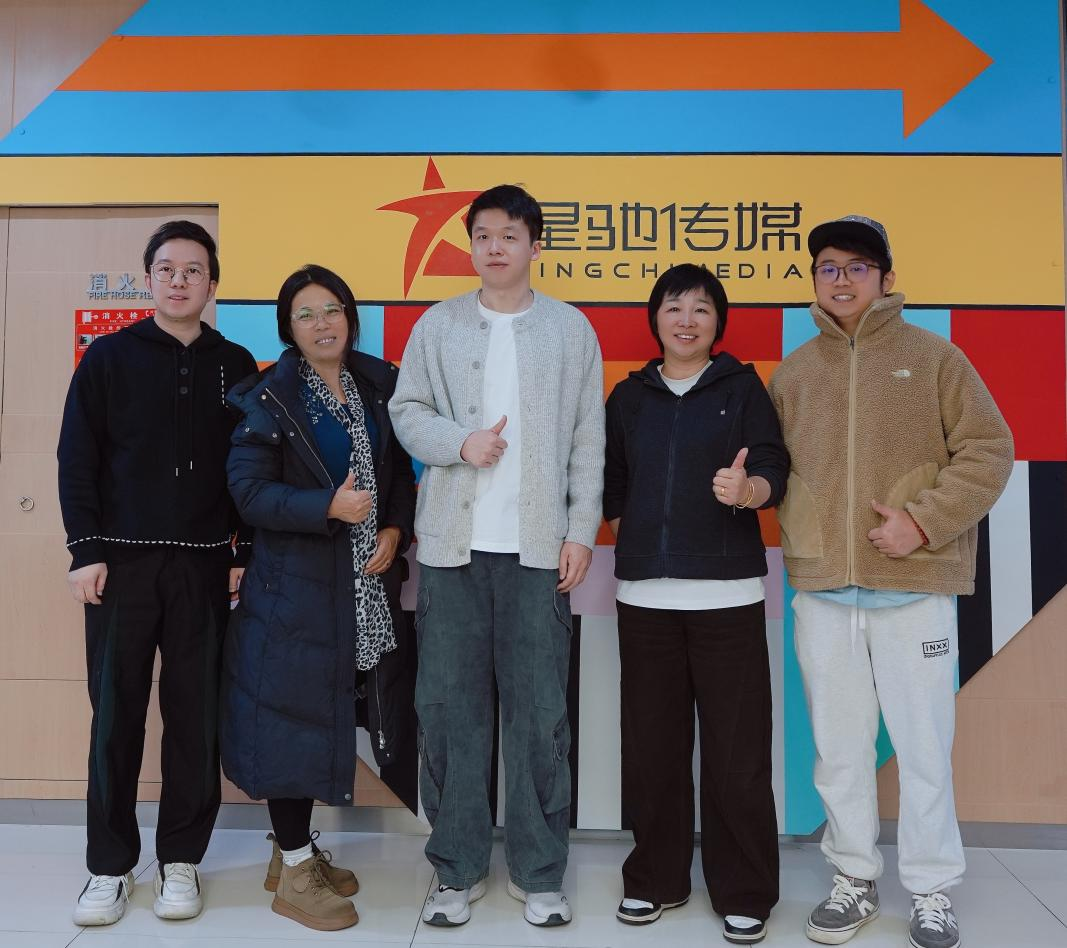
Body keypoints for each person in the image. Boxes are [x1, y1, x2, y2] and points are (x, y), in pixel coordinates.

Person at [768, 216, 1013, 948]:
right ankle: (853, 877)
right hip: (822, 590)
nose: (840, 279)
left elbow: (989, 450)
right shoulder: (794, 373)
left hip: (914, 589)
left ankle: (931, 889)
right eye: (827, 268)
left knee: (923, 748)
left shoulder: (934, 358)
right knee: (838, 750)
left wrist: (922, 522)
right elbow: (773, 469)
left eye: (855, 267)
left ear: (885, 277)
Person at [389, 184, 604, 928]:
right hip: (453, 551)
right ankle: (456, 869)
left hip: (538, 552)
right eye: (482, 235)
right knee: (450, 712)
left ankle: (539, 873)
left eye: (509, 235)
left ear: (535, 245)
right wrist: (461, 443)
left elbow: (587, 437)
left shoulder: (570, 330)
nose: (494, 247)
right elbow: (406, 409)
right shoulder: (439, 324)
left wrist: (580, 531)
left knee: (540, 716)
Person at [58, 220, 258, 926]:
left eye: (193, 270)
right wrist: (85, 549)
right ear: (148, 279)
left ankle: (181, 860)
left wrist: (240, 553)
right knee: (114, 715)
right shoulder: (108, 357)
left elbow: (250, 466)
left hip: (204, 566)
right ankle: (108, 866)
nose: (179, 281)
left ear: (212, 284)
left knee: (195, 717)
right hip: (120, 566)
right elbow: (77, 457)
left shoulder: (236, 363)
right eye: (167, 269)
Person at [220, 264, 416, 931]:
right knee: (291, 722)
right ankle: (297, 871)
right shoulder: (270, 398)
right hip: (294, 590)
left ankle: (292, 854)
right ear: (288, 329)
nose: (321, 323)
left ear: (350, 318)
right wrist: (326, 506)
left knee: (324, 714)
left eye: (331, 309)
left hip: (362, 588)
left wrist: (393, 527)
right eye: (305, 314)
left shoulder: (377, 386)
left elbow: (397, 475)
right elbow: (248, 493)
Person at [603, 264, 786, 945]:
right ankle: (656, 879)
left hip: (728, 596)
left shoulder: (742, 389)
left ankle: (744, 890)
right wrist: (634, 532)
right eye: (674, 307)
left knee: (737, 755)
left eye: (701, 309)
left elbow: (772, 466)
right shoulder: (628, 397)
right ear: (655, 318)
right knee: (652, 749)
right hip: (644, 596)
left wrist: (748, 492)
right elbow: (611, 478)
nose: (686, 320)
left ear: (718, 323)